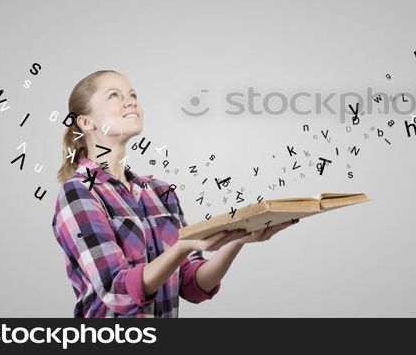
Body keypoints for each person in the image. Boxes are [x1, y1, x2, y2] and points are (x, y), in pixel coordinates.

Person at [51, 70, 298, 317]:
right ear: (86, 122)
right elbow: (116, 291)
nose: (131, 101)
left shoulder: (159, 191)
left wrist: (237, 239)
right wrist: (182, 247)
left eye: (132, 94)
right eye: (114, 95)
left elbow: (192, 285)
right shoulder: (79, 193)